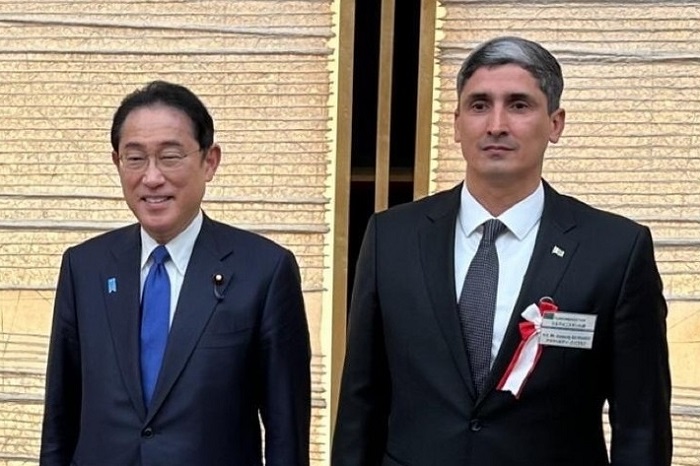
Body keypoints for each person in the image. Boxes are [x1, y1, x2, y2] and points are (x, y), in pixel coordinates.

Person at [332, 37, 672, 465]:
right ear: (457, 124)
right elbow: (361, 402)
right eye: (479, 105)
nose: (496, 124)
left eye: (518, 105)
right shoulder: (392, 238)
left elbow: (641, 426)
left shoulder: (615, 251)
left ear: (555, 123)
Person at [40, 81, 311, 466]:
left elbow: (287, 434)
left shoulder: (264, 271)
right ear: (117, 162)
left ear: (209, 161)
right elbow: (60, 419)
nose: (152, 177)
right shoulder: (84, 267)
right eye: (135, 158)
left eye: (170, 157)